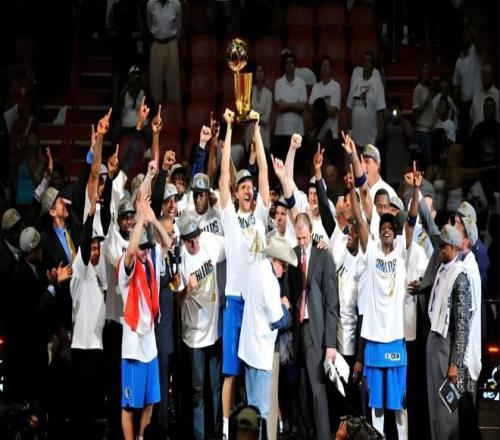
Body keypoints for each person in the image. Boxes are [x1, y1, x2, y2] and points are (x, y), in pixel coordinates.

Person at [347, 130, 421, 439]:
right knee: (376, 405)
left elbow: (412, 221)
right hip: (375, 340)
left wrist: (415, 191)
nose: (388, 230)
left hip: (395, 339)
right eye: (384, 227)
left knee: (399, 404)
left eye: (391, 226)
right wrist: (352, 186)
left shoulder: (403, 251)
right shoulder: (372, 250)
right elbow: (360, 218)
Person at [219, 108, 270, 439]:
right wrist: (228, 129)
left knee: (254, 370)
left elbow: (264, 169)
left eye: (251, 186)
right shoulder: (229, 217)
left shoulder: (262, 215)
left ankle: (255, 428)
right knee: (230, 373)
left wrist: (256, 129)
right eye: (244, 186)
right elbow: (224, 171)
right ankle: (227, 431)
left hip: (257, 305)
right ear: (236, 193)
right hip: (235, 302)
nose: (249, 189)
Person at [117, 194, 170, 440]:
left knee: (150, 402)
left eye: (147, 247)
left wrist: (153, 220)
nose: (145, 251)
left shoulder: (150, 263)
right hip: (133, 347)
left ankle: (141, 437)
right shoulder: (125, 267)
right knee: (129, 406)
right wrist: (139, 219)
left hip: (150, 345)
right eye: (142, 247)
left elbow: (167, 242)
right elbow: (131, 250)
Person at [288, 212, 338, 440]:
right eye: (298, 238)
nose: (302, 242)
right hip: (298, 330)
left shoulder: (323, 256)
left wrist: (330, 344)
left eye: (305, 238)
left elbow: (331, 303)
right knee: (302, 390)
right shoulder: (293, 256)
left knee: (318, 391)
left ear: (311, 232)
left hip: (316, 331)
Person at [176, 214, 225, 439]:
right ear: (183, 241)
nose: (195, 244)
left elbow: (233, 245)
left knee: (214, 388)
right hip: (194, 336)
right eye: (190, 241)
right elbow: (177, 301)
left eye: (196, 237)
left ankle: (215, 433)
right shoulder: (180, 261)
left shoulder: (209, 241)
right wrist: (187, 288)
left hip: (213, 332)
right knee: (197, 392)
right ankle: (199, 436)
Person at [239, 236, 295, 428]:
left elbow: (245, 296)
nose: (284, 270)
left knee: (250, 408)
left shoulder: (256, 268)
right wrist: (285, 306)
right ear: (275, 259)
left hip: (248, 349)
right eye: (284, 265)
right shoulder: (271, 282)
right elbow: (279, 320)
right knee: (262, 411)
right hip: (261, 353)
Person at [425, 225, 472, 440]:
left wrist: (455, 362)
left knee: (446, 408)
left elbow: (462, 324)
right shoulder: (442, 270)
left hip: (446, 345)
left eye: (443, 247)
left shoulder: (460, 277)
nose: (439, 250)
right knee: (434, 407)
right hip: (433, 339)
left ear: (453, 247)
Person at [69, 193, 107, 440]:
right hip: (83, 348)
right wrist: (91, 214)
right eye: (92, 248)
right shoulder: (80, 269)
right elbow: (83, 247)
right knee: (83, 410)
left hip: (94, 347)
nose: (95, 252)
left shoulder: (94, 274)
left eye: (97, 248)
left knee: (91, 408)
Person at [346, 51, 386, 149]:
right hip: (355, 136)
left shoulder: (377, 84)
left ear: (372, 65)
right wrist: (349, 130)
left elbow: (381, 111)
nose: (366, 63)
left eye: (369, 61)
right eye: (364, 61)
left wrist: (379, 133)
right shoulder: (355, 81)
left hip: (371, 138)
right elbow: (349, 107)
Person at [146, 0, 182, 104]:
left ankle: (174, 110)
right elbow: (149, 25)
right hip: (156, 44)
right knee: (155, 82)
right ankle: (155, 110)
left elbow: (179, 26)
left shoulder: (176, 4)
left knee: (173, 83)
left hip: (171, 43)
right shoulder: (150, 4)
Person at [274, 50, 307, 158]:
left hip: (297, 131)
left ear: (295, 65)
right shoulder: (278, 83)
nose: (289, 65)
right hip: (281, 132)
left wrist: (287, 105)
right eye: (287, 62)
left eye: (291, 62)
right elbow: (280, 106)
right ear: (284, 66)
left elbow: (303, 106)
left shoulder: (301, 83)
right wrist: (295, 105)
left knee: (297, 165)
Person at [378, 99, 413, 187]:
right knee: (390, 180)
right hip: (389, 155)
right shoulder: (387, 123)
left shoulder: (404, 122)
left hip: (401, 155)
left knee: (401, 181)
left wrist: (402, 119)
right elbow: (381, 134)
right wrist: (386, 120)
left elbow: (409, 134)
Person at [309, 55, 341, 141]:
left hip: (331, 134)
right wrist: (326, 104)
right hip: (318, 135)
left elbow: (333, 111)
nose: (324, 67)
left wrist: (318, 106)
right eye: (322, 65)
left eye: (327, 65)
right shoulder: (315, 87)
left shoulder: (336, 86)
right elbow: (311, 108)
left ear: (331, 68)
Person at [245, 65, 273, 151]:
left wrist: (252, 117)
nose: (259, 73)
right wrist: (256, 116)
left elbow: (266, 118)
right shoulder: (249, 91)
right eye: (257, 71)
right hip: (250, 130)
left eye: (261, 71)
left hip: (263, 131)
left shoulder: (269, 94)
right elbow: (246, 113)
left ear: (264, 74)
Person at [412, 63, 434, 169]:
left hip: (430, 129)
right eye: (424, 68)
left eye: (428, 69)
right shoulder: (418, 89)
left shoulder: (429, 89)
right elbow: (415, 113)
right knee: (426, 161)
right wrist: (425, 102)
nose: (426, 71)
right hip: (422, 130)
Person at [469, 63, 499, 132]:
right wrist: (470, 135)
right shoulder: (476, 94)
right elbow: (472, 118)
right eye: (484, 73)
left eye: (488, 73)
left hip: (491, 137)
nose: (486, 76)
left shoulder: (498, 95)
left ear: (492, 76)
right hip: (476, 136)